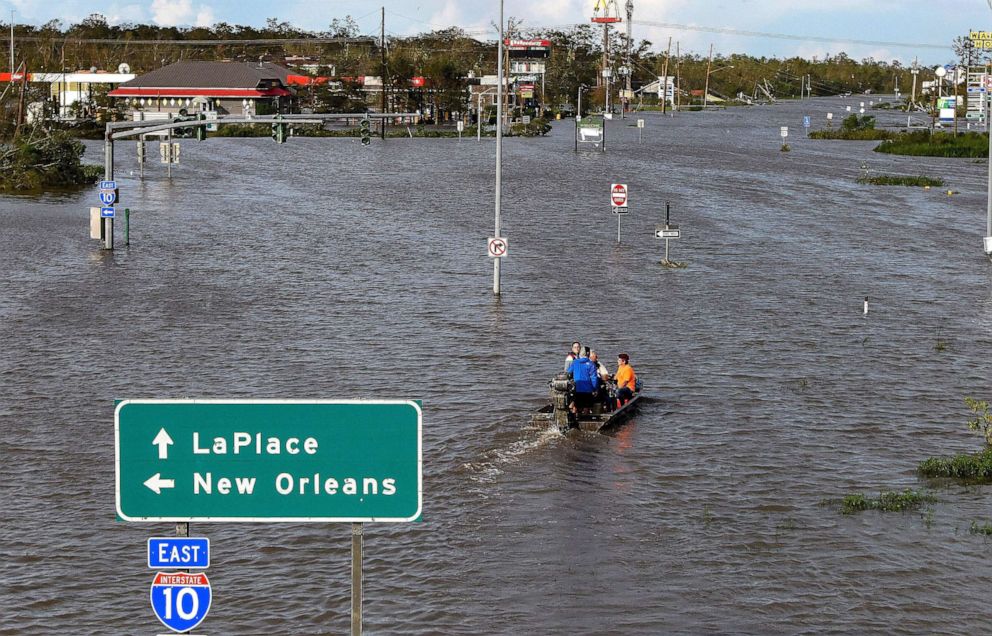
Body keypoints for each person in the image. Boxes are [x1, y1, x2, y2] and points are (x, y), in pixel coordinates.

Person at [567, 349, 599, 414]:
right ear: (588, 354)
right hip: (588, 389)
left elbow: (568, 372)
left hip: (577, 388)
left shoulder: (575, 362)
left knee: (576, 405)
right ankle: (585, 418)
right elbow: (594, 378)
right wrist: (595, 388)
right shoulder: (591, 364)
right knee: (586, 406)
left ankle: (574, 418)